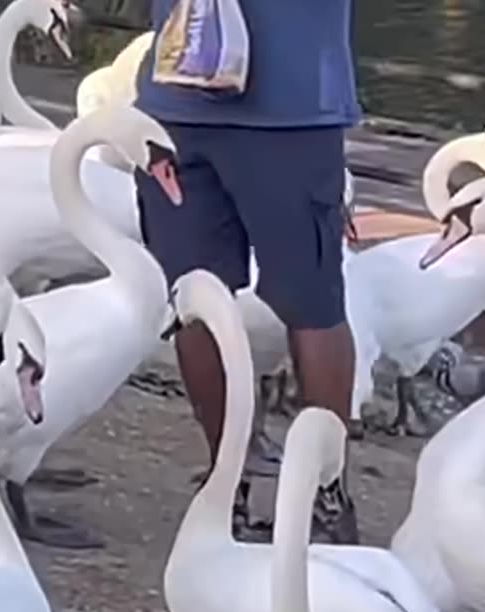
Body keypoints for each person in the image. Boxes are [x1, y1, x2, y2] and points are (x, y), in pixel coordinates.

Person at [133, 0, 361, 544]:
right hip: (289, 107)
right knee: (311, 304)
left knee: (197, 302)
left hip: (178, 100)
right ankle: (324, 499)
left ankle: (225, 489)